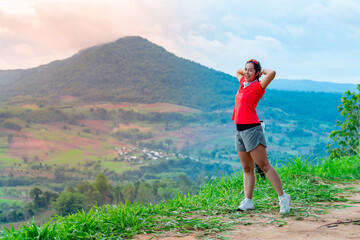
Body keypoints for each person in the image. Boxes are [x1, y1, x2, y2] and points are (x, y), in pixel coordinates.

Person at [232, 59, 290, 214]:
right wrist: (247, 71)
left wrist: (260, 71)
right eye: (246, 69)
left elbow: (272, 73)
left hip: (252, 130)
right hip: (239, 131)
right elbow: (238, 72)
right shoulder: (243, 82)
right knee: (247, 168)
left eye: (251, 70)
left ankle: (283, 198)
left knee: (264, 166)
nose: (246, 72)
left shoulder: (258, 86)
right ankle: (248, 201)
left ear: (257, 73)